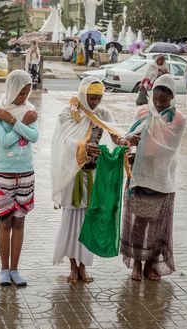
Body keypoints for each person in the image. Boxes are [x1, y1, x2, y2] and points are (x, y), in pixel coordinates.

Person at [51, 77, 127, 284]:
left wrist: (122, 140)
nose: (94, 103)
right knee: (72, 222)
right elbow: (64, 140)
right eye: (91, 98)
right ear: (84, 94)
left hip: (93, 174)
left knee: (88, 221)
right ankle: (72, 267)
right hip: (73, 174)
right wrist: (83, 146)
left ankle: (83, 267)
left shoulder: (101, 114)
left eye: (98, 98)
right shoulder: (69, 113)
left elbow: (113, 133)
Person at [121, 74, 186, 281]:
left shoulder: (178, 119)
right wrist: (131, 143)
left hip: (162, 179)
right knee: (138, 224)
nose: (158, 104)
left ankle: (151, 265)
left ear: (172, 99)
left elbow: (168, 148)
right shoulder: (141, 112)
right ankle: (137, 265)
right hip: (140, 176)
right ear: (151, 96)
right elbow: (130, 138)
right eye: (156, 99)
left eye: (163, 101)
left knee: (157, 226)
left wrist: (144, 145)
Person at [0, 70, 39, 287]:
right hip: (4, 173)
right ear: (12, 90)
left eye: (27, 93)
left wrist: (14, 121)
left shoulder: (30, 110)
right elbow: (5, 141)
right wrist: (20, 122)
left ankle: (15, 269)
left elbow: (34, 137)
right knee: (5, 221)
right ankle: (4, 269)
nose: (24, 98)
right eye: (20, 93)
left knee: (19, 221)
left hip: (26, 173)